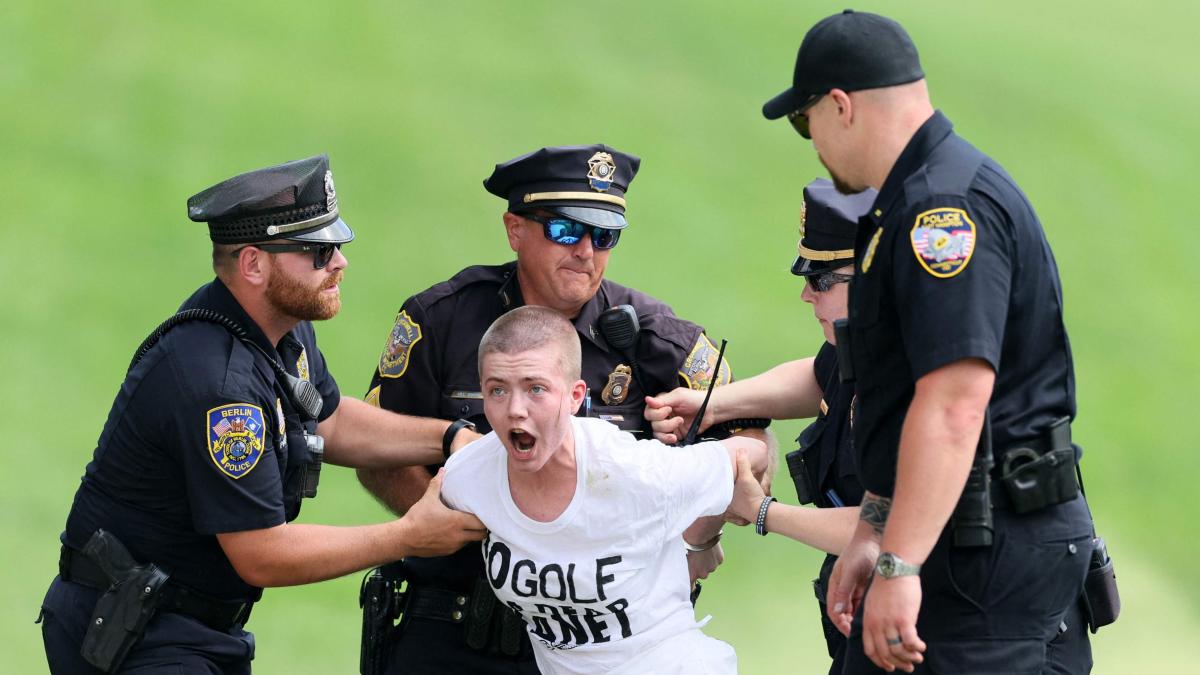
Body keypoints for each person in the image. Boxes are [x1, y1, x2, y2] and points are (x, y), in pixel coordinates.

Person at [38, 155, 486, 675]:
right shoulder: (219, 388)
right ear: (253, 264)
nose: (339, 262)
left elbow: (331, 421)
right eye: (319, 252)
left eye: (337, 245)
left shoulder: (282, 330)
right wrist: (408, 535)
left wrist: (452, 437)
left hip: (189, 627)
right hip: (137, 634)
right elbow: (262, 553)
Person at [762, 10, 1095, 674]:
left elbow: (953, 403)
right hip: (949, 535)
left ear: (841, 106)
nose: (814, 146)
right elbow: (904, 390)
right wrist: (874, 526)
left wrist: (899, 559)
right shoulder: (913, 198)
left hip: (985, 556)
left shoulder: (943, 213)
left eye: (807, 124)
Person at [356, 144, 768, 674]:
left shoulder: (658, 340)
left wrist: (697, 538)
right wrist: (493, 533)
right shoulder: (441, 321)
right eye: (566, 231)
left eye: (605, 236)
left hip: (606, 641)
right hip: (457, 628)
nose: (586, 251)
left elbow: (752, 446)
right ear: (514, 229)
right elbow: (375, 453)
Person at [442, 305, 769, 674]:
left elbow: (753, 453)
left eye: (536, 389)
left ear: (575, 396)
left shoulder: (632, 470)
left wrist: (697, 539)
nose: (516, 410)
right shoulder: (468, 478)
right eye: (497, 390)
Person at [646, 178, 871, 673]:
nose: (805, 295)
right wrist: (715, 405)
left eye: (822, 280)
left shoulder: (909, 373)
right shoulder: (861, 343)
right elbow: (819, 378)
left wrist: (762, 510)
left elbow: (887, 526)